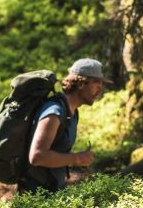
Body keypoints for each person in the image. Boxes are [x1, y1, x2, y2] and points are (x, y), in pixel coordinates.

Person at [20, 58, 110, 194]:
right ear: (81, 83)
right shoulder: (54, 112)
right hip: (34, 196)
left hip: (53, 192)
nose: (99, 91)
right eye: (96, 84)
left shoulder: (72, 113)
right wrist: (77, 158)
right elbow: (37, 156)